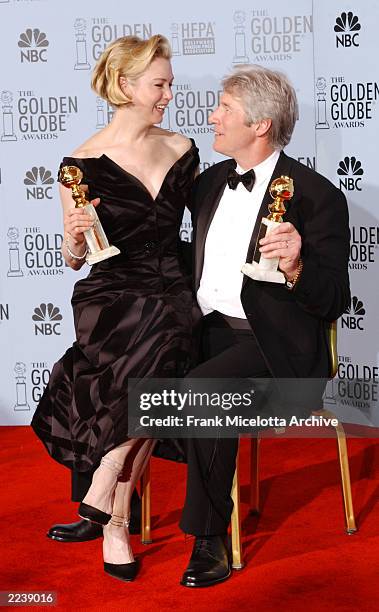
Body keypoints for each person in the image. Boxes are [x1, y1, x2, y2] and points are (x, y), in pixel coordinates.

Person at [31, 34, 200, 582]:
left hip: (173, 285)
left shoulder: (182, 148)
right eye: (160, 84)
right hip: (113, 297)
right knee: (160, 347)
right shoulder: (79, 163)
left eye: (170, 83)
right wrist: (75, 238)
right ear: (125, 86)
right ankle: (111, 511)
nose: (169, 94)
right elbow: (75, 258)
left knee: (169, 336)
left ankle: (111, 509)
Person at [178, 64, 350, 588]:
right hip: (207, 332)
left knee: (201, 392)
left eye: (224, 108)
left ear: (261, 125)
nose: (212, 116)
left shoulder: (317, 195)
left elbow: (333, 300)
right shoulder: (209, 182)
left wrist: (297, 267)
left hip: (276, 349)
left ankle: (208, 540)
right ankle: (105, 513)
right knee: (116, 368)